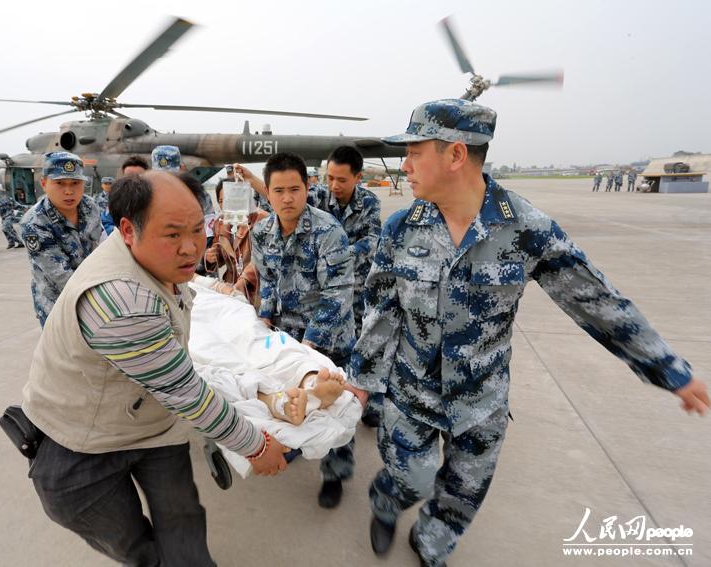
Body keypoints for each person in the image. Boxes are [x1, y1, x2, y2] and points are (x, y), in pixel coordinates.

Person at [345, 98, 710, 567]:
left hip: (481, 403)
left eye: (415, 152)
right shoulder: (400, 230)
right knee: (409, 478)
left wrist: (669, 370)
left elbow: (596, 301)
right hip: (411, 392)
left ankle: (431, 543)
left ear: (456, 155)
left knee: (462, 495)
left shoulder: (526, 229)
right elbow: (381, 311)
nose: (405, 165)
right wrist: (359, 381)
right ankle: (387, 503)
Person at [22, 172, 288, 567]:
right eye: (172, 235)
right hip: (82, 447)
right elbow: (186, 394)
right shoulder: (120, 302)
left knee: (182, 520)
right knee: (136, 546)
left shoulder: (153, 260)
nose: (191, 248)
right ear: (128, 230)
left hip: (154, 426)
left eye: (198, 230)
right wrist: (257, 446)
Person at [249, 152, 357, 509]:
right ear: (267, 192)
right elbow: (266, 281)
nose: (287, 198)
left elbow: (339, 295)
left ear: (307, 187)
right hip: (286, 337)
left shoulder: (328, 232)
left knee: (336, 406)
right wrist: (264, 318)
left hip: (329, 338)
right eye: (278, 190)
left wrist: (309, 344)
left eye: (295, 189)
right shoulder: (262, 232)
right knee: (295, 399)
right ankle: (298, 445)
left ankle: (335, 474)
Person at [311, 146, 383, 425]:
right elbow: (283, 200)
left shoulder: (369, 203)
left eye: (341, 180)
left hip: (358, 289)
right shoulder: (318, 195)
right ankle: (332, 398)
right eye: (330, 178)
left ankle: (372, 401)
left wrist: (339, 255)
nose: (334, 185)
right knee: (330, 347)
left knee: (364, 345)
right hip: (327, 290)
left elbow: (373, 240)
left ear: (358, 177)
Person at [19, 151, 104, 327]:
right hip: (58, 305)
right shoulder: (34, 223)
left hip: (95, 293)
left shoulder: (89, 206)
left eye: (75, 183)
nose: (68, 191)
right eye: (60, 183)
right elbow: (61, 275)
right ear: (44, 183)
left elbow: (102, 246)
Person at [202, 176, 268, 304]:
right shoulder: (220, 223)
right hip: (232, 291)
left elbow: (263, 259)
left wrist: (244, 280)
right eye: (221, 200)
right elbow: (220, 254)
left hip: (258, 293)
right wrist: (211, 256)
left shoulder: (261, 220)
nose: (225, 204)